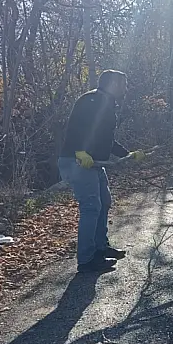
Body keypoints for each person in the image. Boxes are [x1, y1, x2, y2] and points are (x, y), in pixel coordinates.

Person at [59, 70, 145, 273]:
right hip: (78, 160)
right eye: (123, 84)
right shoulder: (90, 100)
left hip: (94, 162)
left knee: (104, 202)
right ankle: (87, 261)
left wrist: (127, 154)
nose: (126, 88)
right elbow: (75, 127)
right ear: (113, 84)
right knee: (91, 207)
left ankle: (100, 247)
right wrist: (78, 150)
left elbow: (106, 139)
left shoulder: (107, 104)